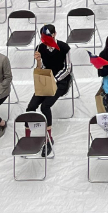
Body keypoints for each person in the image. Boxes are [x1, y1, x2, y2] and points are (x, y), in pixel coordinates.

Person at [26, 24, 71, 156]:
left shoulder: (64, 47)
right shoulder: (40, 48)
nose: (45, 39)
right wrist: (39, 61)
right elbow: (41, 69)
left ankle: (49, 139)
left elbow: (68, 68)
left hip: (60, 81)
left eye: (48, 36)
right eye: (43, 37)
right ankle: (28, 137)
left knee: (45, 106)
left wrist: (54, 80)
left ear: (54, 34)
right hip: (45, 81)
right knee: (31, 107)